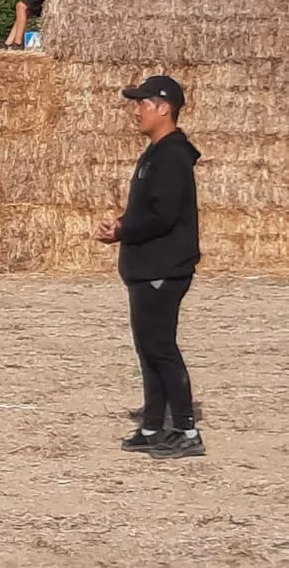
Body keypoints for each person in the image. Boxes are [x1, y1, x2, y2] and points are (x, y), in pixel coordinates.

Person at [98, 75, 204, 459]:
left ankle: (187, 431)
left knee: (160, 347)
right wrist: (121, 223)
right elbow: (147, 208)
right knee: (148, 348)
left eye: (142, 103)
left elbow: (162, 215)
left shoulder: (173, 156)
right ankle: (153, 426)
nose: (136, 111)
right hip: (146, 267)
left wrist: (123, 230)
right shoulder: (156, 153)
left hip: (164, 266)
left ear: (164, 108)